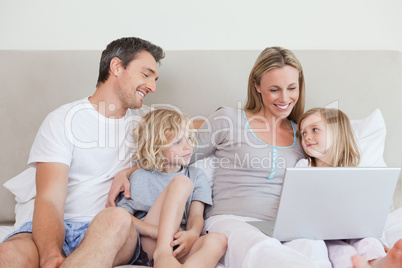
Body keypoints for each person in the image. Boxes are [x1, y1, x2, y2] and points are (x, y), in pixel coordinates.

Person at [107, 47, 331, 267]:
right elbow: (178, 156)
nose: (285, 98)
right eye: (274, 89)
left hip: (282, 226)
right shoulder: (228, 119)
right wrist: (129, 171)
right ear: (257, 86)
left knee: (314, 247)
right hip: (232, 220)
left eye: (292, 88)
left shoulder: (303, 133)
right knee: (259, 247)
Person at [0, 37, 164, 268]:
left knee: (117, 218)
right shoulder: (63, 120)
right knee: (7, 254)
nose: (153, 87)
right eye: (146, 75)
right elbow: (49, 200)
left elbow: (193, 137)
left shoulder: (148, 122)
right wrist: (50, 255)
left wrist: (130, 170)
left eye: (155, 79)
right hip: (57, 226)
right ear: (117, 67)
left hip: (111, 228)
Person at [116, 108, 227, 267]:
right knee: (181, 182)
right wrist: (156, 231)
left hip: (179, 242)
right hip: (151, 243)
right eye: (177, 142)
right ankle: (162, 254)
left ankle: (169, 260)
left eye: (189, 138)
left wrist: (192, 234)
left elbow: (196, 215)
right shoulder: (140, 176)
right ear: (156, 147)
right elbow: (123, 216)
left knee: (219, 240)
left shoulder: (197, 175)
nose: (188, 146)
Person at [297, 107, 402, 268]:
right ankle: (356, 265)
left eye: (315, 129)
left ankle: (379, 262)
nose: (307, 137)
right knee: (338, 250)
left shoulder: (354, 171)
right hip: (322, 232)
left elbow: (370, 215)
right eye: (303, 133)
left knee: (368, 240)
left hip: (354, 228)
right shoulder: (304, 167)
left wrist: (381, 241)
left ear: (336, 133)